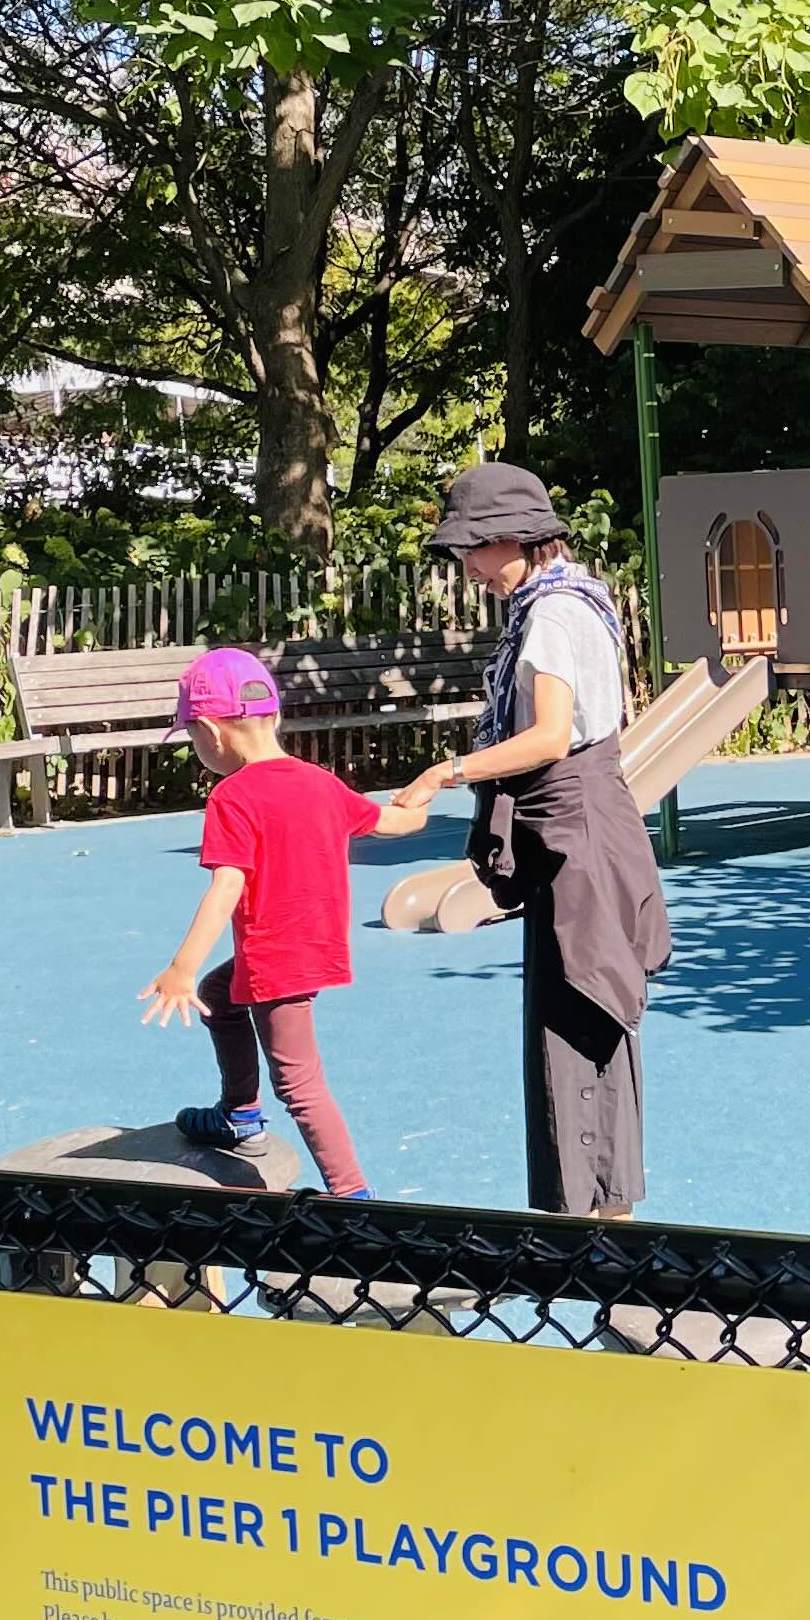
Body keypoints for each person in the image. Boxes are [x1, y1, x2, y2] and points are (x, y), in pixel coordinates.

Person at [396, 466, 669, 1217]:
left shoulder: (550, 614)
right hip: (584, 823)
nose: (468, 569)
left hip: (574, 828)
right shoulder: (579, 596)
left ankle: (594, 1221)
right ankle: (599, 1214)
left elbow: (549, 736)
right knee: (586, 1011)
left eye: (473, 551)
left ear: (513, 538)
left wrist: (446, 771)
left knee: (577, 1017)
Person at [136, 646, 419, 1193]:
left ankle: (354, 1196)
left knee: (299, 1082)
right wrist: (421, 802)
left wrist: (182, 968)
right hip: (316, 943)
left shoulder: (232, 797)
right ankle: (240, 1113)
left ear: (212, 733)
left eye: (192, 737)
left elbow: (226, 887)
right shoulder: (318, 781)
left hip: (276, 959)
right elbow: (391, 822)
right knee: (220, 997)